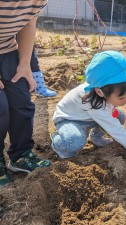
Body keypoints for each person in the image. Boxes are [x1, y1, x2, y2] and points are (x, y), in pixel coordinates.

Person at [51, 51, 126, 171]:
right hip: (70, 119)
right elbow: (121, 134)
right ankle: (58, 142)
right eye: (121, 97)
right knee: (74, 141)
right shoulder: (93, 103)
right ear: (99, 92)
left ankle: (96, 137)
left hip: (89, 117)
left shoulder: (104, 87)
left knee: (120, 117)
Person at [0, 1, 51, 186]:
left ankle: (21, 155)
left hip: (7, 49)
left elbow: (28, 22)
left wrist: (24, 63)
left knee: (21, 100)